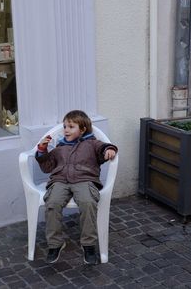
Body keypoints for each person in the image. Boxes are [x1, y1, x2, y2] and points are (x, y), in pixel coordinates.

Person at [35, 110, 118, 265]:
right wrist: (42, 150)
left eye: (71, 126)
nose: (66, 129)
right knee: (52, 203)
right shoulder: (60, 147)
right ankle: (55, 244)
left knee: (88, 203)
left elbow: (103, 148)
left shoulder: (92, 143)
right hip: (60, 180)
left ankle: (88, 244)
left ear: (83, 129)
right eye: (65, 126)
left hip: (84, 180)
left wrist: (109, 150)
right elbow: (47, 167)